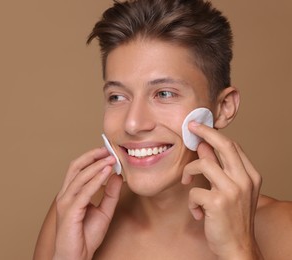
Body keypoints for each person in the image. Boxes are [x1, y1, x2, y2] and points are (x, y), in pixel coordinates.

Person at [33, 0, 292, 259]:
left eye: (164, 93)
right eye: (117, 97)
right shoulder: (76, 214)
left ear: (223, 107)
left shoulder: (283, 229)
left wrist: (241, 251)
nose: (133, 124)